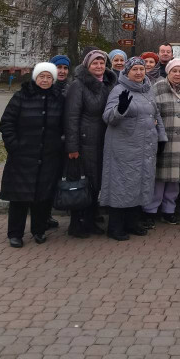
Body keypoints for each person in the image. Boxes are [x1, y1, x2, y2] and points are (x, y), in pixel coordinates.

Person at [100, 57, 167, 241]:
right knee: (121, 185)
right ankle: (115, 227)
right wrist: (120, 109)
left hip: (145, 147)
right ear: (127, 72)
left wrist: (161, 138)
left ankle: (132, 222)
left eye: (141, 69)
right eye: (134, 69)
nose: (138, 72)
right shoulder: (119, 89)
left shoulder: (147, 90)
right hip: (123, 148)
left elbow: (156, 114)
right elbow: (108, 117)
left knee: (140, 184)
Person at [0, 62, 65, 248]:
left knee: (43, 196)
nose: (45, 80)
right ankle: (15, 233)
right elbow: (7, 124)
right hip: (22, 156)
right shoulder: (21, 97)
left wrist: (59, 143)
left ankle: (39, 230)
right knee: (19, 197)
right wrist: (14, 146)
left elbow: (64, 124)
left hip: (49, 156)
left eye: (48, 77)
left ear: (53, 79)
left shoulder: (58, 98)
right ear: (35, 77)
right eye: (42, 76)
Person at [64, 49, 118, 238]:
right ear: (87, 65)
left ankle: (90, 219)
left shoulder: (109, 84)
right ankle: (76, 223)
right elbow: (71, 117)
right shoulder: (78, 85)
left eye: (102, 63)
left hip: (103, 140)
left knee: (96, 182)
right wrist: (73, 147)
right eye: (95, 63)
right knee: (83, 182)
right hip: (85, 141)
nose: (99, 66)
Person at [143, 59, 180, 227]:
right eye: (174, 71)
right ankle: (150, 211)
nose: (177, 74)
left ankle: (169, 210)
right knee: (158, 179)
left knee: (174, 179)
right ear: (168, 72)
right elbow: (152, 113)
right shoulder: (157, 87)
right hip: (162, 140)